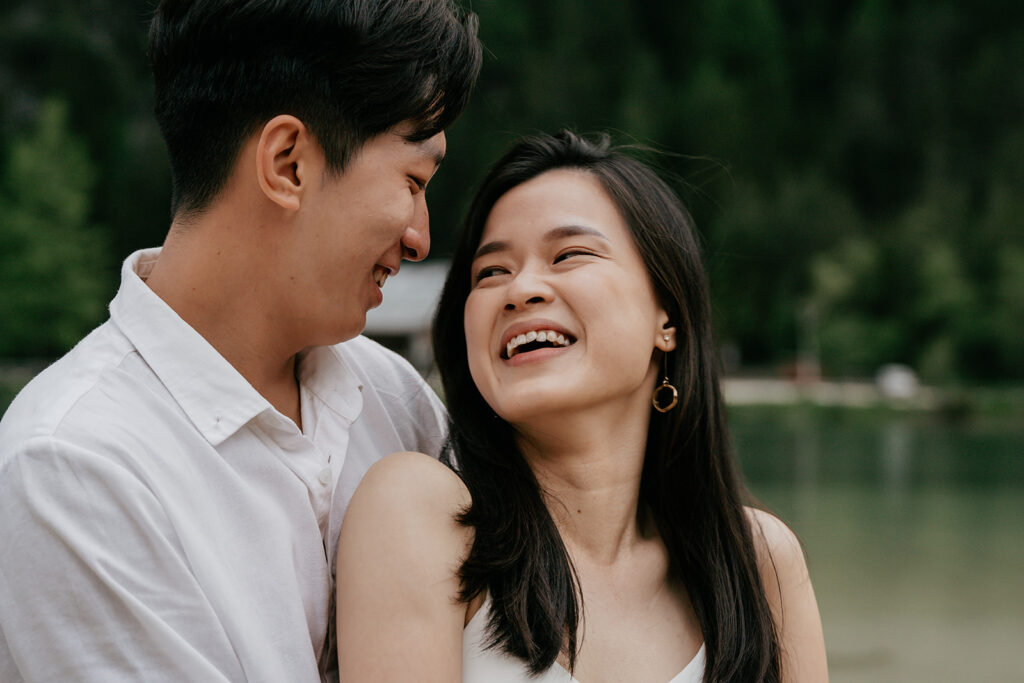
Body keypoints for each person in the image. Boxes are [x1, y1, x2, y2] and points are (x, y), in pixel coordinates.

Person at [0, 1, 481, 681]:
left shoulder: (395, 399)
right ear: (288, 163)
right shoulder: (73, 467)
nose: (420, 237)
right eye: (413, 182)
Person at [335, 131, 829, 682]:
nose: (521, 289)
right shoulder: (425, 515)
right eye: (491, 272)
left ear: (666, 316)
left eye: (569, 255)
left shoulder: (759, 565)